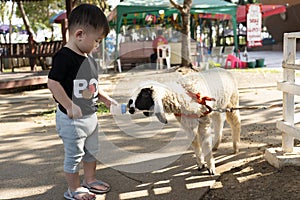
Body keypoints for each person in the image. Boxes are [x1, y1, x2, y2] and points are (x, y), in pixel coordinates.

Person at [47, 4, 116, 200]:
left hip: (90, 117)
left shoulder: (89, 58)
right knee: (74, 156)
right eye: (97, 40)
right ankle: (74, 188)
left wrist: (105, 99)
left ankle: (90, 179)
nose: (98, 45)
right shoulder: (64, 58)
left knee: (92, 150)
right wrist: (69, 105)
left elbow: (92, 86)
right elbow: (53, 83)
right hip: (72, 120)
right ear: (79, 34)